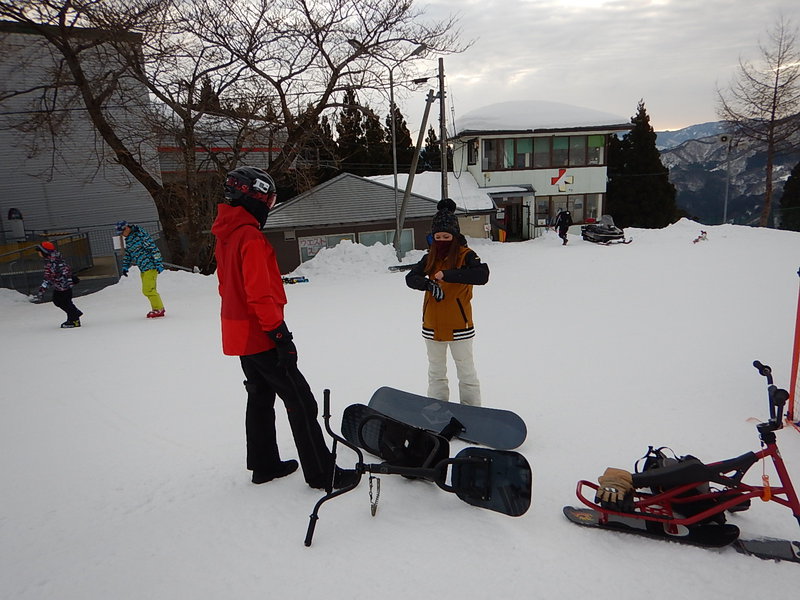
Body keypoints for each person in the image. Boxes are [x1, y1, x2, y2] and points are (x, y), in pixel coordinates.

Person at [211, 165, 356, 489]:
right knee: (301, 400)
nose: (269, 207)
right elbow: (260, 293)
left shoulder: (227, 235)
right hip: (261, 333)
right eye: (269, 200)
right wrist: (279, 334)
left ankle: (264, 465)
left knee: (260, 397)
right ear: (256, 198)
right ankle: (323, 474)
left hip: (240, 335)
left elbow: (227, 286)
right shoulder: (250, 237)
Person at [405, 198, 490, 406]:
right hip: (432, 327)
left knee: (466, 371)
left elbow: (482, 275)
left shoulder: (466, 255)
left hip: (459, 326)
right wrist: (426, 285)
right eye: (438, 236)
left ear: (455, 236)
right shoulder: (429, 257)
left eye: (446, 236)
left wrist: (448, 275)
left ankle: (471, 410)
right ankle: (437, 408)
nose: (442, 240)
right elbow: (410, 278)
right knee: (436, 372)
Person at [116, 221, 166, 318]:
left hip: (150, 266)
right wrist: (125, 266)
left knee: (148, 290)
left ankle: (159, 309)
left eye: (122, 233)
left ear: (126, 228)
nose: (122, 235)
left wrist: (158, 263)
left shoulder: (140, 235)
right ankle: (156, 308)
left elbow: (153, 248)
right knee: (149, 289)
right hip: (143, 268)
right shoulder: (129, 239)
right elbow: (128, 254)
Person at [33, 241, 83, 328]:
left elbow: (48, 278)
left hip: (62, 286)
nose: (38, 254)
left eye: (39, 252)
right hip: (63, 284)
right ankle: (74, 314)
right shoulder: (55, 257)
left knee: (63, 302)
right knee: (64, 302)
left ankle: (74, 320)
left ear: (44, 252)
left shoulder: (51, 263)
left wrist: (42, 290)